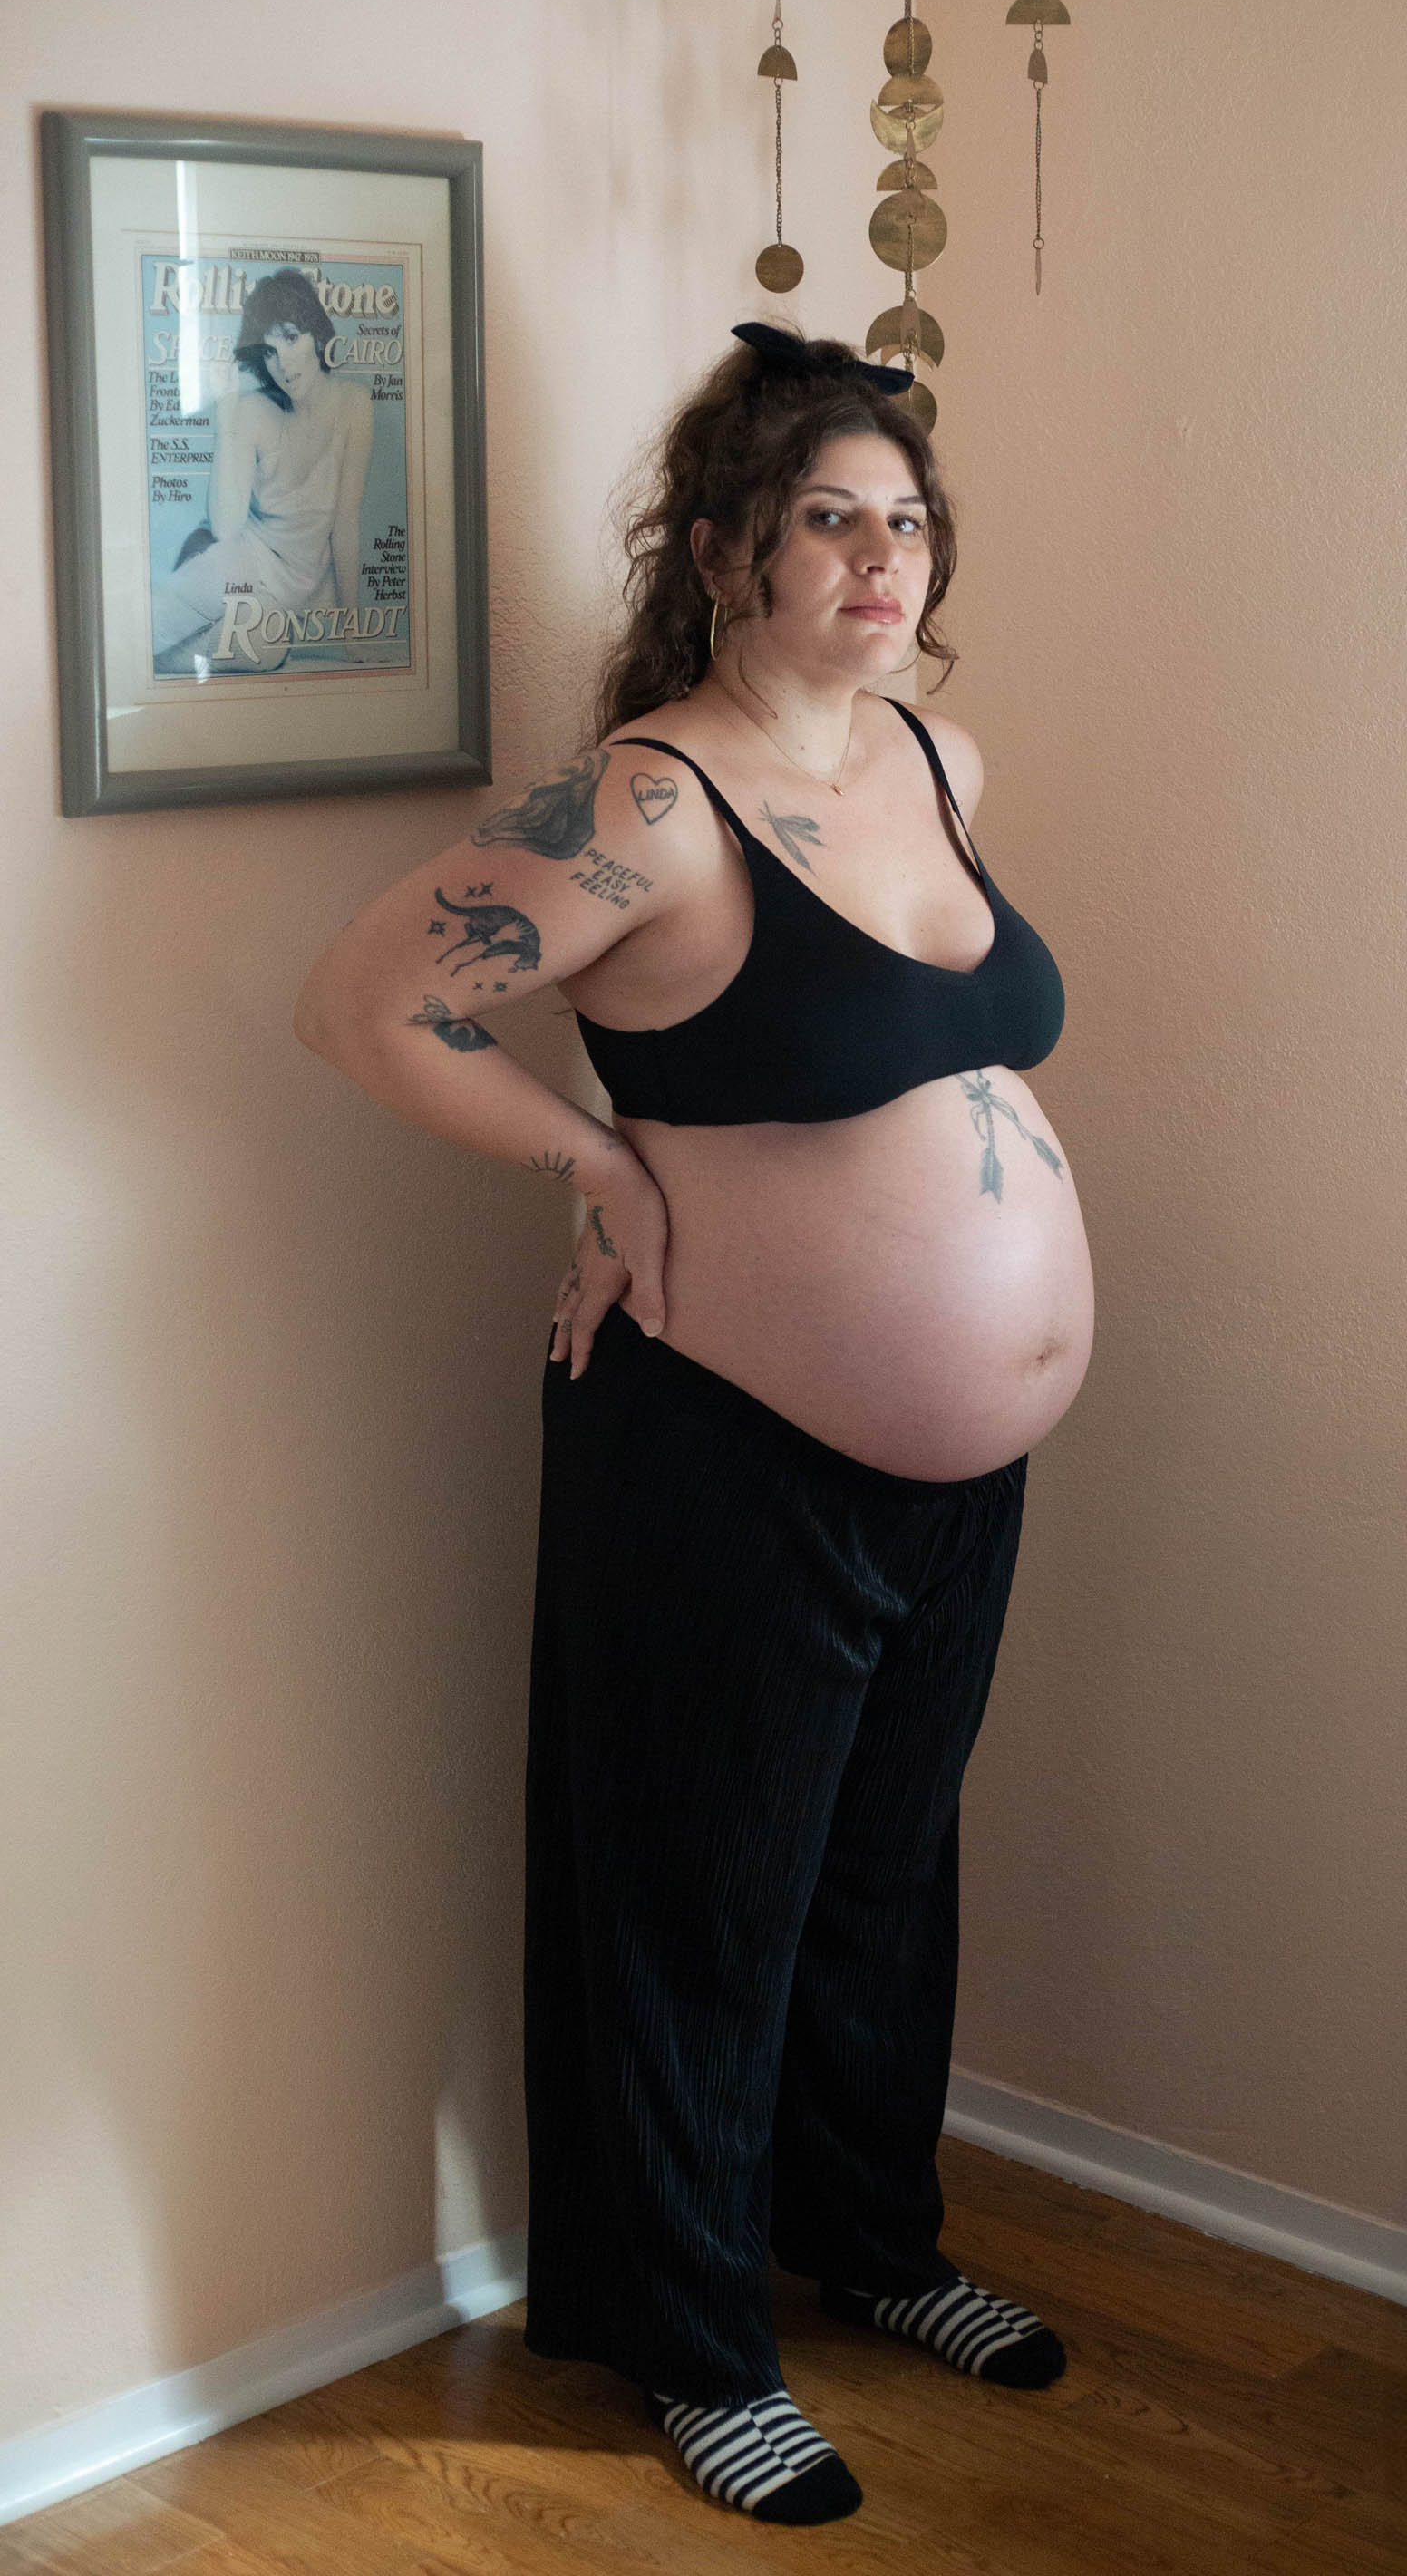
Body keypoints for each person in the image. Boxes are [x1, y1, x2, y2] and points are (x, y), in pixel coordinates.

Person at [292, 320, 1093, 2524]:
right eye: (828, 515)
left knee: (877, 1869)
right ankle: (691, 2335)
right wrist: (597, 1160)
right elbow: (369, 1000)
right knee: (699, 1896)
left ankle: (874, 2240)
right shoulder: (650, 795)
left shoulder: (934, 758)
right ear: (728, 545)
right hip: (727, 1434)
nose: (877, 555)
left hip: (955, 1462)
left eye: (905, 517)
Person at [152, 266, 374, 672]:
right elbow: (227, 528)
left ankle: (151, 667)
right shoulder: (254, 409)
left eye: (291, 338)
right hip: (237, 558)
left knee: (266, 650)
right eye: (269, 350)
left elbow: (345, 524)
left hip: (283, 599)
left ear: (317, 334)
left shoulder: (354, 407)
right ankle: (127, 667)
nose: (283, 363)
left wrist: (351, 631)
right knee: (150, 627)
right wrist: (226, 416)